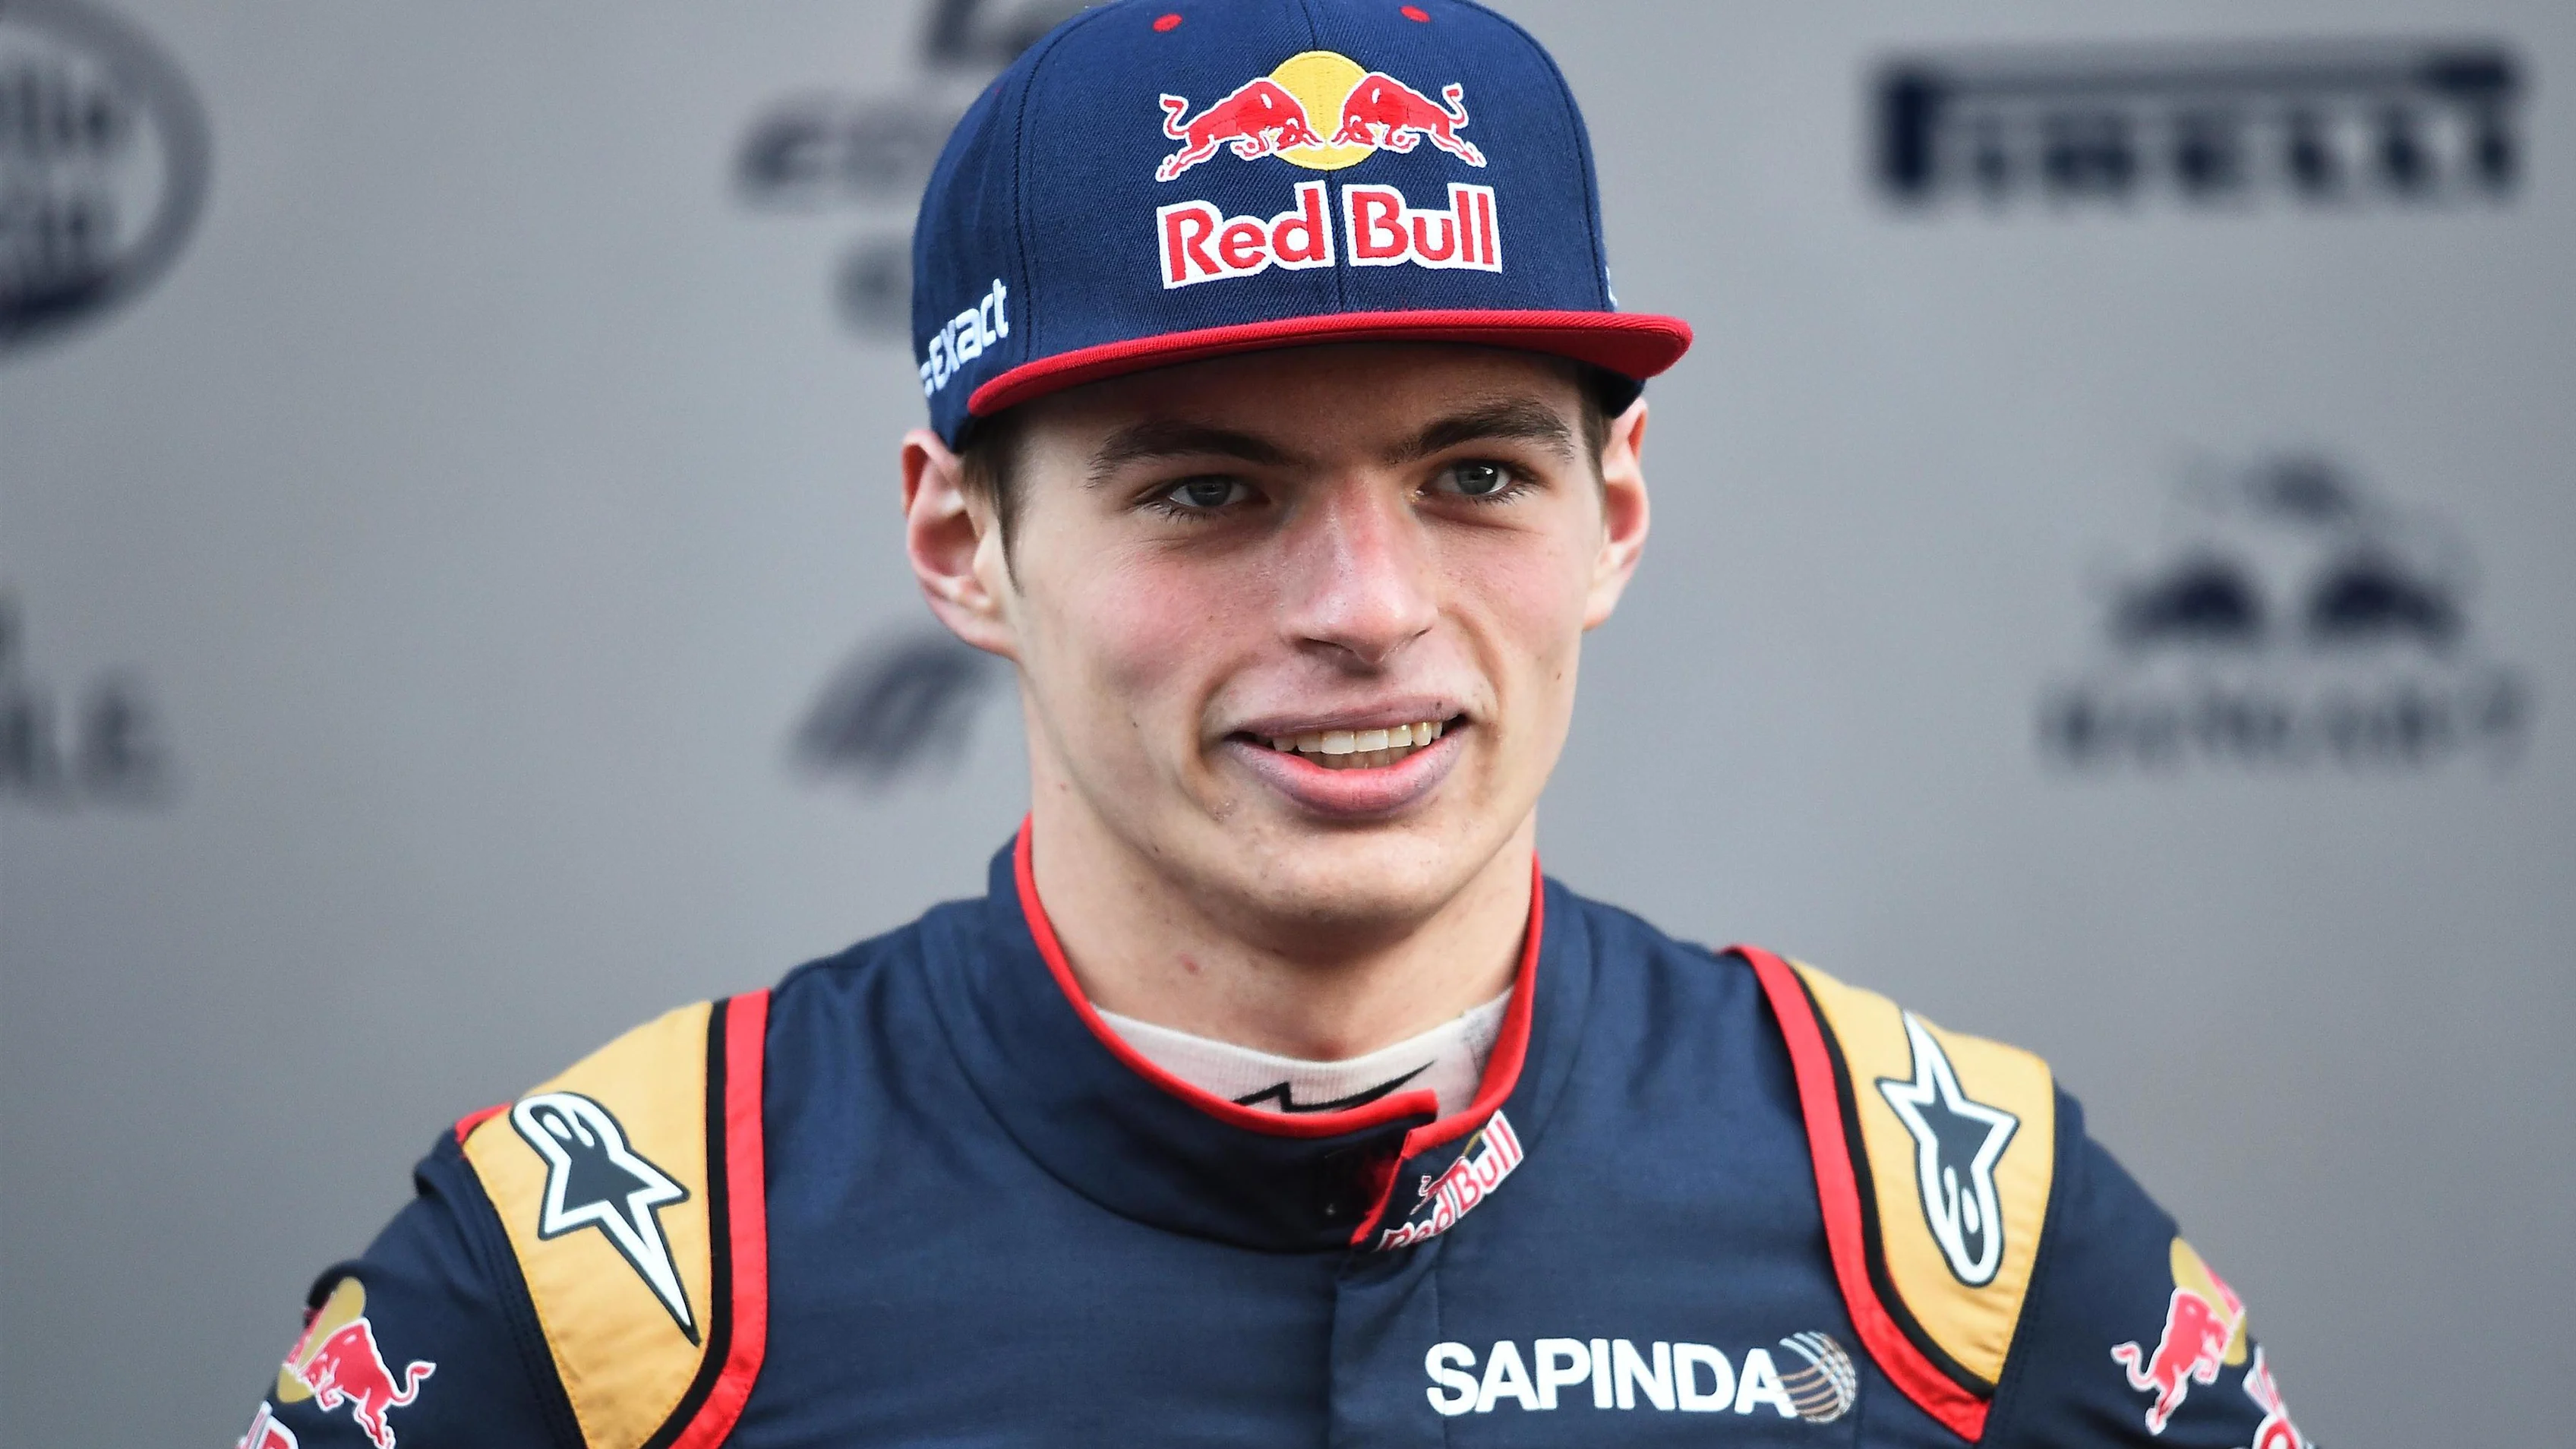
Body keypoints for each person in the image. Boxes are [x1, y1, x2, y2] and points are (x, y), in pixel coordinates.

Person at [238, 3, 2310, 1446]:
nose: (1369, 606)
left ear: (1614, 513)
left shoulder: (1949, 1211)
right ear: (963, 541)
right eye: (1210, 490)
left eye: (1475, 477)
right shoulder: (627, 1258)